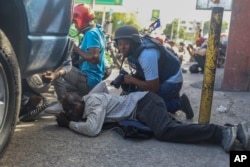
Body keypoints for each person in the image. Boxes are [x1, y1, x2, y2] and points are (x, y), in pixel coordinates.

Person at [55, 82, 249, 153]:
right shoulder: (89, 98)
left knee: (165, 131)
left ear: (81, 100)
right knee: (177, 129)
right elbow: (102, 86)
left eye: (73, 107)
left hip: (144, 104)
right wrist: (62, 111)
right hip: (144, 105)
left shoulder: (93, 103)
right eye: (68, 110)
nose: (71, 111)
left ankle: (220, 132)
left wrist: (69, 123)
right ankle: (235, 131)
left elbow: (92, 129)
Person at [113, 25, 194, 119]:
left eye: (126, 43)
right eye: (120, 44)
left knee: (142, 105)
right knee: (135, 95)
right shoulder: (134, 50)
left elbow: (153, 87)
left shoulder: (146, 55)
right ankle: (171, 100)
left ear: (133, 42)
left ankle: (179, 103)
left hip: (172, 81)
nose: (122, 47)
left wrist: (132, 80)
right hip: (162, 76)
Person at [43, 3, 106, 113]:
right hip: (92, 81)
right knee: (63, 86)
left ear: (82, 19)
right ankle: (71, 103)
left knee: (59, 67)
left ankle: (62, 103)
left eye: (75, 22)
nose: (75, 25)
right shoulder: (96, 31)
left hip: (89, 80)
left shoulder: (91, 33)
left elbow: (94, 58)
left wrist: (75, 48)